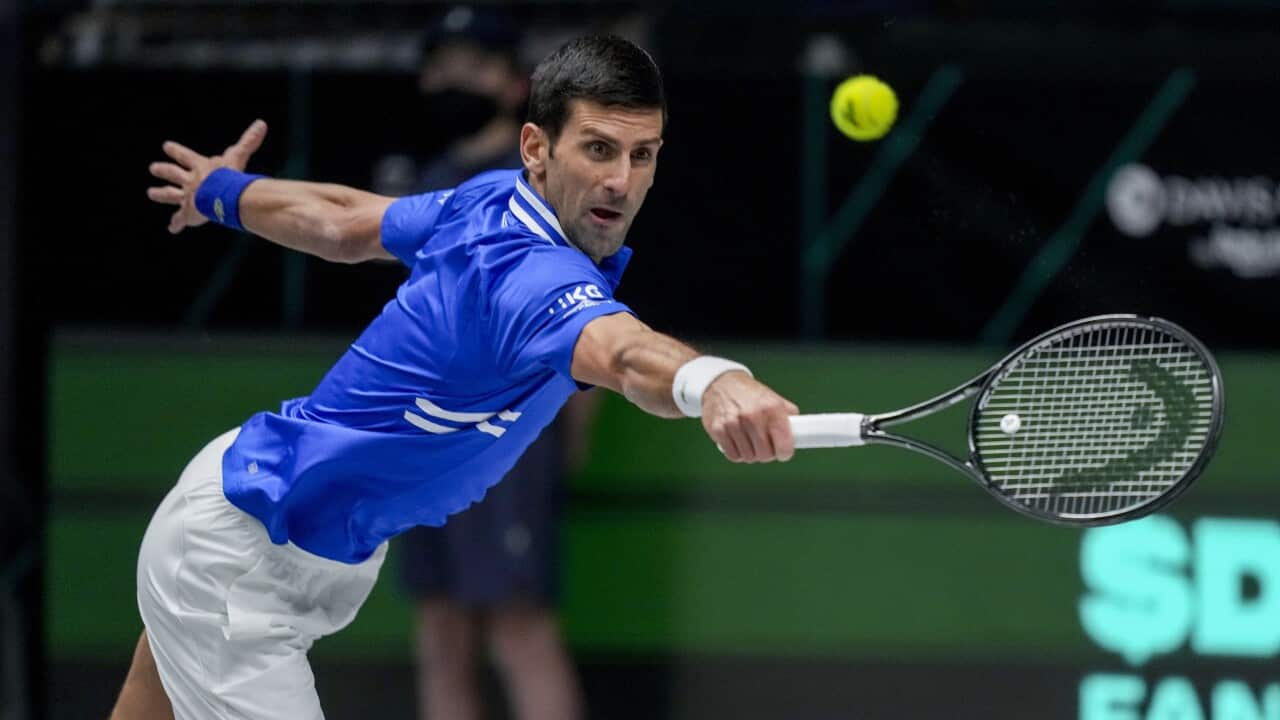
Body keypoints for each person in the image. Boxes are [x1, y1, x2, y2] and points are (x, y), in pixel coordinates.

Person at [113, 35, 799, 720]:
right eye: (598, 149)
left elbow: (345, 222)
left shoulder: (490, 202)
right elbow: (623, 353)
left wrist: (223, 191)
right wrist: (712, 380)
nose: (621, 180)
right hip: (243, 556)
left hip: (265, 538)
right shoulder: (528, 273)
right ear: (536, 148)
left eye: (641, 154)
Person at [395, 9, 590, 720]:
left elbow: (585, 323)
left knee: (519, 629)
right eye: (439, 62)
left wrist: (568, 433)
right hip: (421, 440)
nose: (451, 77)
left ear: (514, 85)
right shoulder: (432, 182)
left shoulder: (540, 188)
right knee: (441, 630)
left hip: (507, 440)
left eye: (470, 63)